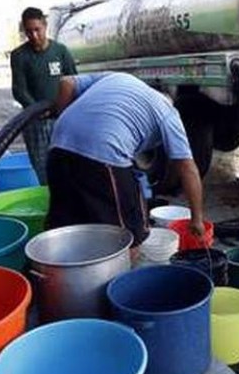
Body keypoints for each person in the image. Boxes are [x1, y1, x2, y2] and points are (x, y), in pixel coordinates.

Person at [45, 72, 206, 258]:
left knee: (66, 230)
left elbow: (66, 83)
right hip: (104, 152)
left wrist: (66, 123)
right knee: (130, 236)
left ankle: (64, 280)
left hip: (58, 144)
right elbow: (187, 168)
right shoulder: (168, 113)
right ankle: (122, 282)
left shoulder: (119, 78)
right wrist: (197, 219)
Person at [10, 7, 77, 184]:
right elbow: (19, 90)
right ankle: (49, 202)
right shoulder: (19, 56)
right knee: (43, 169)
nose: (34, 35)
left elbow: (74, 81)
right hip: (34, 122)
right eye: (28, 31)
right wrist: (37, 109)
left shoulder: (60, 51)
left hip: (62, 118)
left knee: (67, 164)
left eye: (37, 29)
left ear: (45, 26)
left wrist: (62, 108)